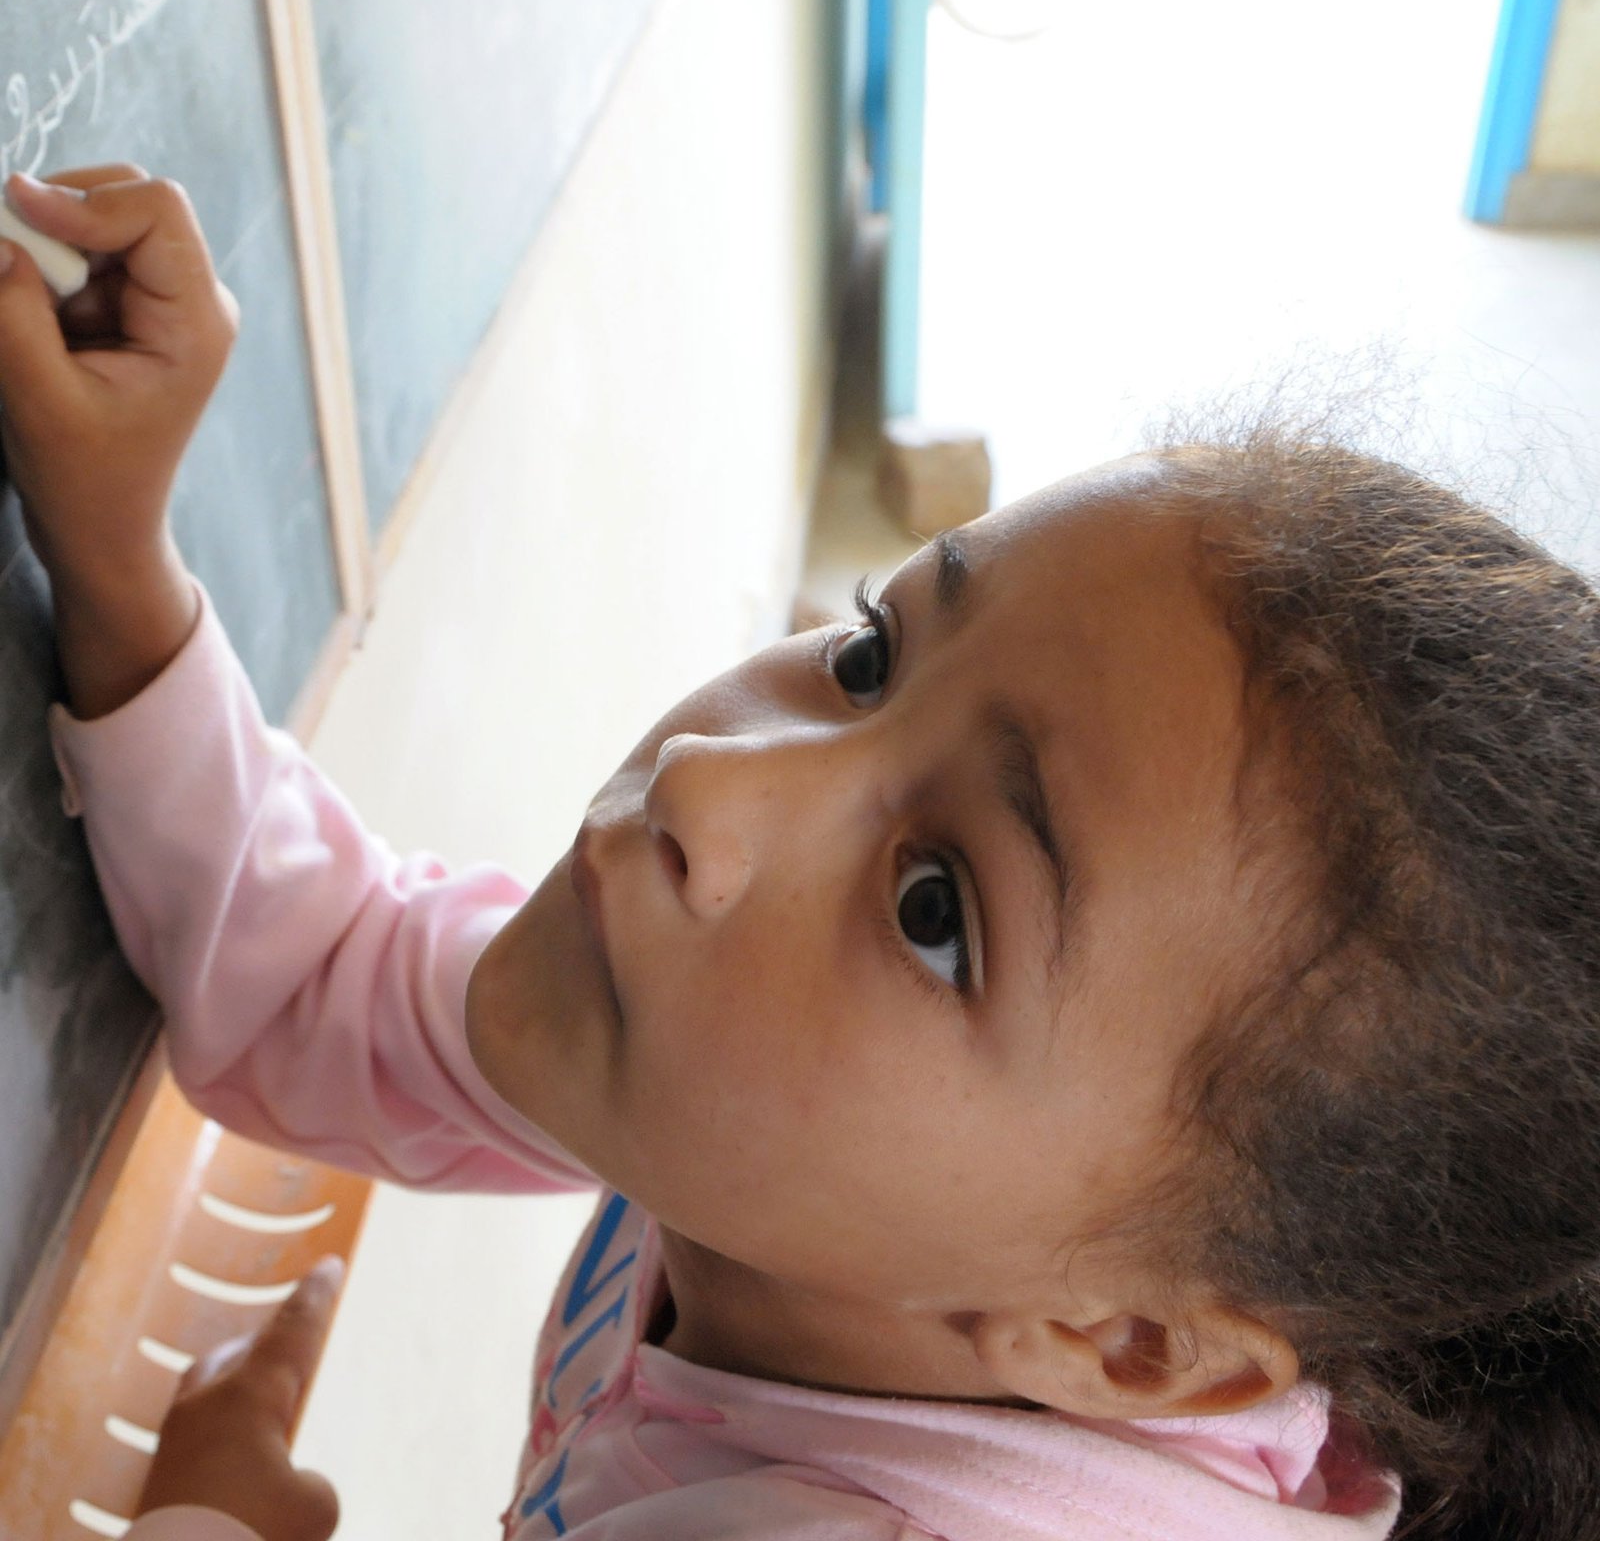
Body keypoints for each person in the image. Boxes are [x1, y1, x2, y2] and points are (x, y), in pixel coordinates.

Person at [2, 165, 1597, 1541]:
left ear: (1126, 1351)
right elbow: (329, 975)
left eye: (935, 910)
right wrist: (119, 557)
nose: (715, 785)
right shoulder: (795, 1117)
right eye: (867, 655)